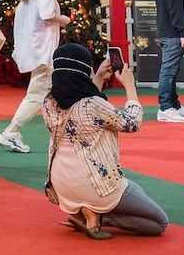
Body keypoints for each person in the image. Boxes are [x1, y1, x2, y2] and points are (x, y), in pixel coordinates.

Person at [44, 42, 168, 239]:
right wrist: (129, 85)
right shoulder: (94, 106)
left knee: (138, 190)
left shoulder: (49, 102)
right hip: (96, 185)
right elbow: (132, 123)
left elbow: (81, 104)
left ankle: (85, 212)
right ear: (85, 71)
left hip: (61, 184)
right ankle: (99, 218)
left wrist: (100, 76)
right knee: (159, 223)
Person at [0, 0, 71, 153]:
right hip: (42, 50)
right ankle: (11, 131)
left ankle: (62, 129)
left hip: (33, 48)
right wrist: (63, 19)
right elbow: (48, 15)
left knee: (48, 91)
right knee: (36, 94)